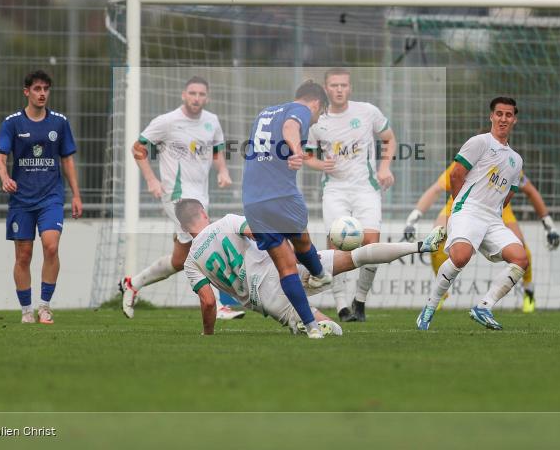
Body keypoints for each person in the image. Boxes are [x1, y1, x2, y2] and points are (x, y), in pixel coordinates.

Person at [175, 199, 433, 335]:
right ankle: (419, 245)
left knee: (334, 332)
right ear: (203, 212)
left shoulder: (190, 263)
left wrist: (208, 333)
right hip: (285, 266)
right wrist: (295, 250)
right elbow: (260, 234)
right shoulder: (228, 222)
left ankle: (302, 325)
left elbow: (208, 303)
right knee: (357, 256)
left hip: (268, 298)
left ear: (185, 227)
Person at [120, 76, 236, 318]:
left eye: (201, 94)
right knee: (205, 242)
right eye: (192, 93)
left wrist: (223, 171)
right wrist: (151, 179)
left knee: (179, 260)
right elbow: (137, 148)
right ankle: (218, 304)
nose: (196, 98)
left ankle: (133, 284)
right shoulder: (167, 121)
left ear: (208, 97)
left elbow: (216, 151)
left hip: (201, 196)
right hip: (176, 196)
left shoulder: (211, 121)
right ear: (184, 94)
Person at [415, 97, 528, 331]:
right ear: (491, 117)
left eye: (508, 115)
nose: (503, 119)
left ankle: (484, 307)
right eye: (499, 114)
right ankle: (429, 308)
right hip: (468, 209)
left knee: (520, 258)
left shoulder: (516, 160)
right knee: (460, 257)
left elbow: (509, 194)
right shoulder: (479, 142)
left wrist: (495, 211)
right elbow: (456, 175)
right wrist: (461, 206)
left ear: (514, 120)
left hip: (493, 219)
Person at [241, 80, 333, 339]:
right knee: (302, 243)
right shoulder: (301, 110)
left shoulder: (265, 112)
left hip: (253, 200)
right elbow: (291, 126)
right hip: (280, 195)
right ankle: (319, 273)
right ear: (317, 103)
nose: (315, 120)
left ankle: (312, 328)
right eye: (319, 114)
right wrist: (296, 151)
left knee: (286, 267)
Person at [403, 165, 560, 312]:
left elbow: (531, 191)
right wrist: (413, 218)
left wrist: (549, 226)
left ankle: (529, 292)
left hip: (496, 210)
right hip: (461, 205)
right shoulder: (468, 159)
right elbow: (436, 189)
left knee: (521, 250)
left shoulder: (509, 163)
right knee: (435, 241)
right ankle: (440, 293)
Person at [304, 67, 396, 322]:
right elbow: (307, 155)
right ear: (326, 88)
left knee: (373, 245)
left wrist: (385, 167)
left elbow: (389, 138)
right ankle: (342, 306)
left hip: (366, 189)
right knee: (335, 250)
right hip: (334, 191)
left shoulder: (367, 111)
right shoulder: (318, 120)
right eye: (334, 85)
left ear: (350, 88)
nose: (339, 90)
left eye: (343, 85)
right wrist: (320, 165)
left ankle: (360, 301)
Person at [0, 70, 82, 324]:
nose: (42, 93)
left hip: (51, 197)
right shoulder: (12, 123)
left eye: (45, 89)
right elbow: (0, 158)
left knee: (51, 246)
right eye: (37, 89)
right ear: (27, 92)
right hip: (21, 199)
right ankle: (26, 310)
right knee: (23, 255)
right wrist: (5, 178)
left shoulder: (59, 122)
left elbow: (67, 160)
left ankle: (45, 306)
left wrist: (76, 195)